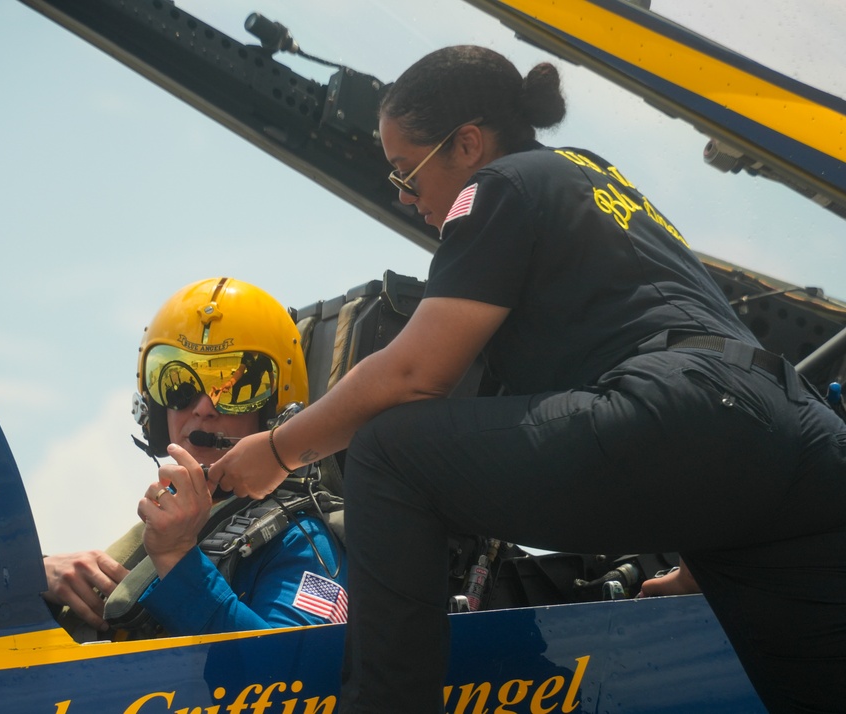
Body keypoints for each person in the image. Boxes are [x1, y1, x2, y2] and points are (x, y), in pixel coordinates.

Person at [210, 46, 846, 713]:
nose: (404, 197)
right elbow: (706, 389)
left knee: (390, 452)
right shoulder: (597, 178)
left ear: (467, 144)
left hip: (683, 409)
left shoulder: (497, 186)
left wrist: (279, 451)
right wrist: (698, 555)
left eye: (405, 172)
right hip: (799, 434)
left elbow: (412, 374)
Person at [43, 277, 346, 637]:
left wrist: (178, 561)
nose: (203, 408)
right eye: (178, 384)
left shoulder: (305, 541)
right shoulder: (156, 535)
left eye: (235, 387)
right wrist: (39, 582)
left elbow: (295, 672)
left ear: (273, 410)